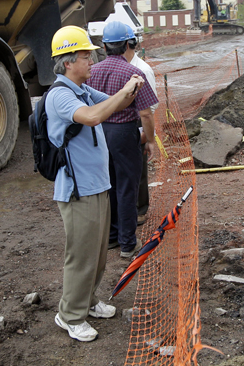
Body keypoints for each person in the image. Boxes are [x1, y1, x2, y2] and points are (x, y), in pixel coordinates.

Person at [46, 25, 144, 342]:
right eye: (85, 55)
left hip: (97, 186)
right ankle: (70, 315)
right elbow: (92, 117)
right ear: (67, 62)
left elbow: (119, 104)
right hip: (77, 191)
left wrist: (131, 84)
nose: (91, 60)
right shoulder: (60, 96)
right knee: (82, 255)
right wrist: (124, 86)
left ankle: (87, 302)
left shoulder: (84, 90)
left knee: (99, 253)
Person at [85, 21, 159, 259]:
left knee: (108, 186)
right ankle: (128, 244)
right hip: (125, 133)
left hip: (98, 133)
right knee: (128, 188)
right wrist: (150, 139)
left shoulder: (92, 71)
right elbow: (146, 112)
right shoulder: (133, 74)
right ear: (130, 43)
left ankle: (111, 238)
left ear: (104, 46)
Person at [129, 43, 158, 226]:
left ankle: (140, 209)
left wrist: (148, 136)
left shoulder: (143, 70)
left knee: (139, 169)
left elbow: (149, 110)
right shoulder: (113, 67)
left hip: (137, 121)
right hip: (118, 124)